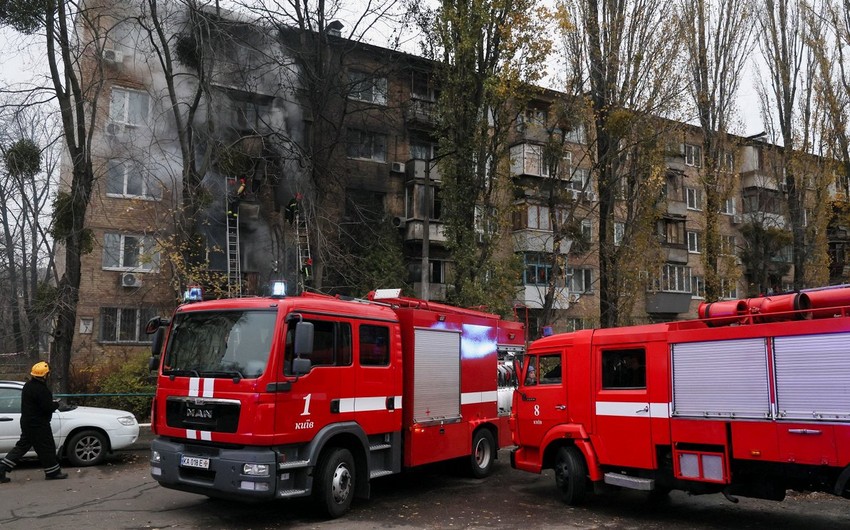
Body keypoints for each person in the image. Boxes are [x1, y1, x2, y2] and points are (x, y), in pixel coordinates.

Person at [0, 361, 68, 483]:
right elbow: (47, 407)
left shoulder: (28, 386)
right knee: (47, 447)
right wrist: (56, 404)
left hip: (28, 422)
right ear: (45, 375)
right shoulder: (41, 389)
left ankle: (2, 469)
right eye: (48, 374)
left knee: (21, 447)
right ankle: (53, 472)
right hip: (38, 424)